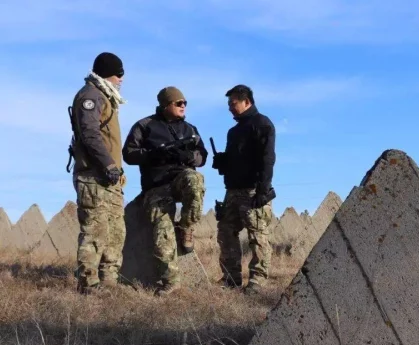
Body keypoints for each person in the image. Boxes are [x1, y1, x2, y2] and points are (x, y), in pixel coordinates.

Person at [122, 86, 208, 296]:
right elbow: (129, 154)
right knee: (162, 233)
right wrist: (153, 155)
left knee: (195, 179)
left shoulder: (190, 129)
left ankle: (186, 226)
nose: (183, 106)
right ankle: (171, 282)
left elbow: (202, 157)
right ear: (165, 105)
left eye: (184, 103)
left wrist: (190, 158)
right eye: (178, 103)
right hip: (156, 187)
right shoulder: (145, 126)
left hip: (180, 179)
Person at [68, 52, 127, 294]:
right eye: (119, 74)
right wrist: (109, 165)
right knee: (94, 231)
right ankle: (88, 284)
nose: (121, 79)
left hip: (109, 178)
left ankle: (109, 281)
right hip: (94, 176)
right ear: (107, 74)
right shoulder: (90, 96)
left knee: (115, 232)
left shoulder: (105, 96)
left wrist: (116, 170)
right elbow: (89, 134)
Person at [212, 84, 276, 295]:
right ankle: (231, 278)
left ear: (247, 102)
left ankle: (257, 280)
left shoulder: (262, 124)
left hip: (253, 191)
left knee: (257, 236)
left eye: (233, 103)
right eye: (229, 104)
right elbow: (235, 159)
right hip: (232, 191)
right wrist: (223, 161)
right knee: (226, 232)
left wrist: (263, 191)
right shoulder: (234, 131)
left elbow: (267, 160)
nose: (230, 108)